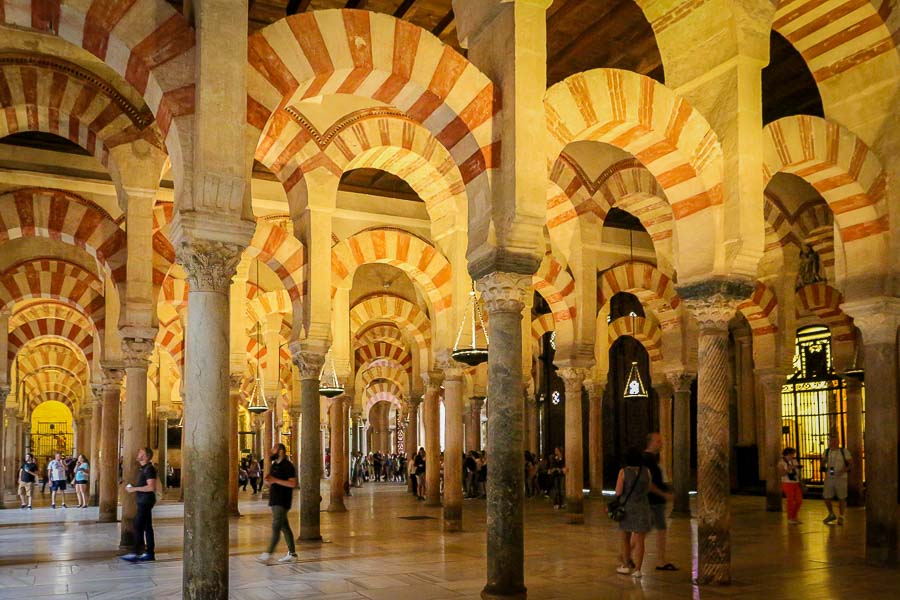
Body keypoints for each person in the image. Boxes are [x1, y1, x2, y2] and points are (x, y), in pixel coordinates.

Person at [615, 446, 668, 579]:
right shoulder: (646, 472)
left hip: (627, 508)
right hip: (643, 508)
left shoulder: (623, 472)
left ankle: (626, 566)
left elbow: (618, 491)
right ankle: (638, 569)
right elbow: (648, 487)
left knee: (625, 538)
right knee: (640, 540)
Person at [258, 443, 298, 564]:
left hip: (283, 500)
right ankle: (292, 554)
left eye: (274, 449)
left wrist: (275, 480)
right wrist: (269, 482)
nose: (271, 451)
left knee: (276, 526)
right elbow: (273, 481)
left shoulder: (288, 466)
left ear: (281, 451)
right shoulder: (274, 465)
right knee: (285, 527)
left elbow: (293, 484)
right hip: (275, 500)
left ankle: (268, 553)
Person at [644, 433, 677, 570]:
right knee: (658, 530)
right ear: (651, 442)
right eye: (658, 441)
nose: (661, 444)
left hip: (655, 501)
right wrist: (664, 494)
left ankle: (625, 555)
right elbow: (648, 482)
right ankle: (661, 560)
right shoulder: (647, 460)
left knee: (646, 530)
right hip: (653, 500)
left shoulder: (651, 459)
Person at [121, 447, 158, 562]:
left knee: (138, 526)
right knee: (147, 527)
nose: (138, 454)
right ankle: (149, 553)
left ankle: (136, 553)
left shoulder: (149, 469)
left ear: (146, 456)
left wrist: (134, 489)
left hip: (146, 501)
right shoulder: (143, 469)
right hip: (143, 500)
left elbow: (151, 487)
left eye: (140, 452)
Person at [822, 433, 852, 525]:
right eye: (830, 441)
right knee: (826, 497)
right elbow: (823, 462)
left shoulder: (844, 451)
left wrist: (842, 471)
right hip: (829, 477)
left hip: (841, 477)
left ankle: (841, 516)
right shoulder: (826, 452)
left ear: (838, 441)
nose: (832, 443)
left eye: (834, 441)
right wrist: (823, 464)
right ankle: (831, 513)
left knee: (841, 497)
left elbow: (850, 464)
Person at [779, 447, 803, 525]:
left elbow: (797, 472)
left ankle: (794, 516)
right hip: (787, 483)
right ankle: (790, 518)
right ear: (786, 454)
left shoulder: (794, 461)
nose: (792, 456)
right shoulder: (781, 463)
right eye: (790, 454)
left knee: (799, 500)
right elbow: (781, 474)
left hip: (795, 482)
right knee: (790, 500)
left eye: (793, 454)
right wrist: (789, 469)